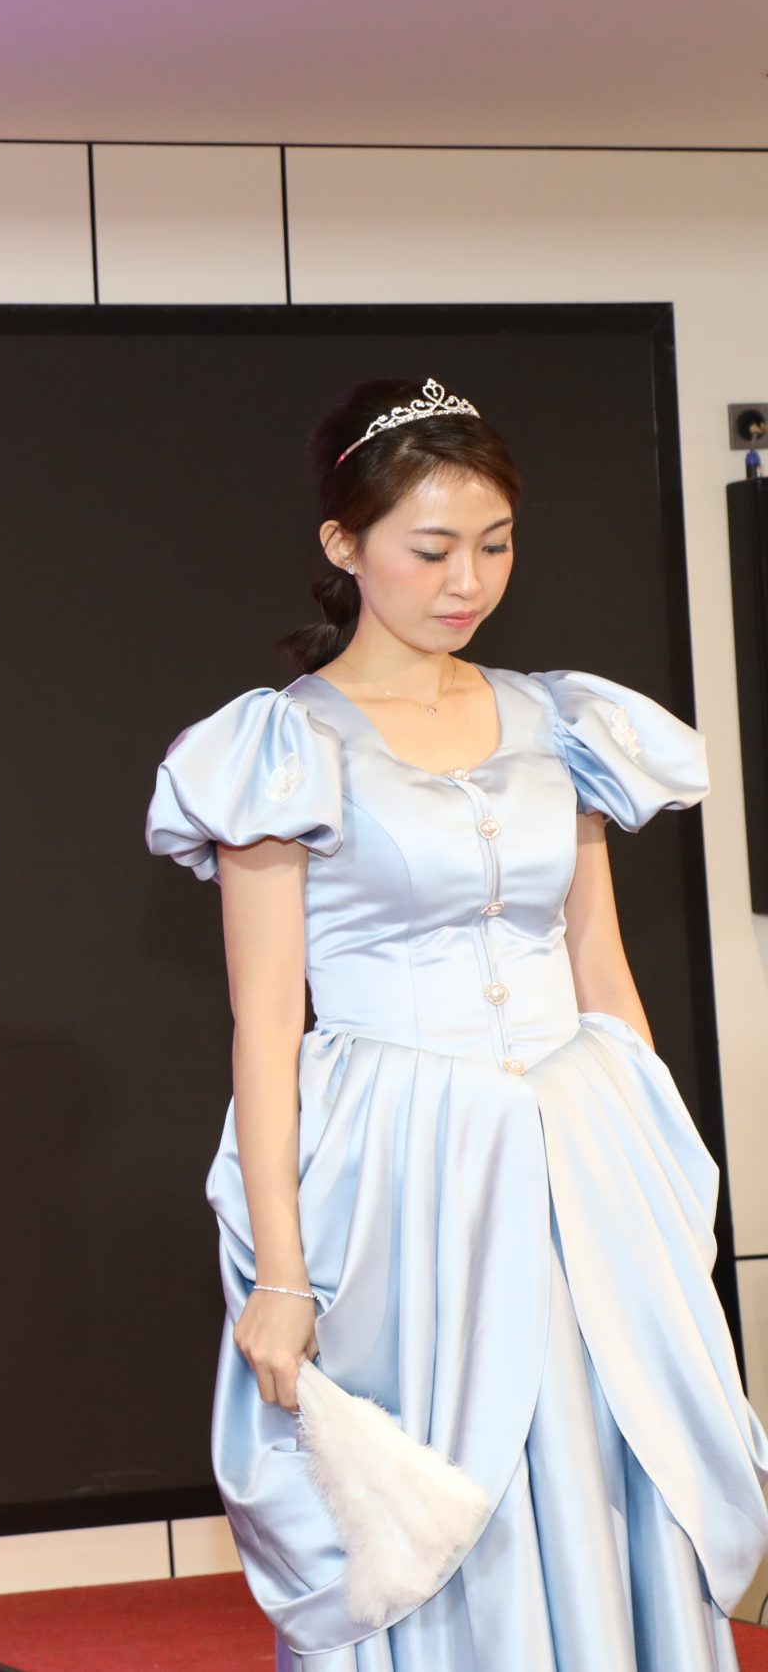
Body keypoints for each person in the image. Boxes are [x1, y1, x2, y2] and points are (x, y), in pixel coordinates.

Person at [147, 378, 768, 1669]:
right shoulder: (280, 747)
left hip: (580, 1150)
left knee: (616, 1456)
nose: (467, 581)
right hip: (402, 1172)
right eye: (431, 549)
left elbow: (597, 962)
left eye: (494, 544)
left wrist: (661, 1173)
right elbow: (265, 1026)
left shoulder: (561, 721)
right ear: (344, 543)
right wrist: (279, 1270)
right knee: (436, 1489)